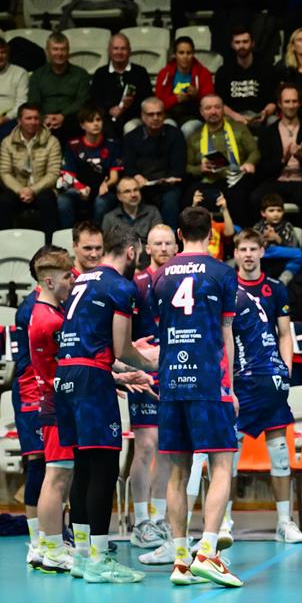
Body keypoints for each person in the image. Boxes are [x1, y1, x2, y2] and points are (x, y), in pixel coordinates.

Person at [54, 225, 159, 583]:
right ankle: (99, 560)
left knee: (83, 466)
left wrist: (120, 373)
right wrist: (152, 363)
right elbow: (122, 348)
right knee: (103, 468)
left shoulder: (82, 279)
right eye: (138, 253)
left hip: (67, 375)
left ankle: (82, 556)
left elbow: (95, 344)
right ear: (130, 252)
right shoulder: (120, 286)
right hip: (90, 381)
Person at [155, 207, 245, 587]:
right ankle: (207, 552)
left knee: (177, 472)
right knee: (221, 464)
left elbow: (159, 332)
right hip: (209, 381)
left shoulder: (160, 275)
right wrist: (231, 388)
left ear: (178, 234)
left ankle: (180, 561)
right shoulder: (222, 273)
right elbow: (226, 333)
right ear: (211, 234)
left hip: (171, 381)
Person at [232, 229, 302, 543]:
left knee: (279, 452)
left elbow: (285, 333)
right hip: (238, 381)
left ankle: (284, 523)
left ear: (262, 252)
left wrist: (285, 370)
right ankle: (223, 523)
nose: (248, 254)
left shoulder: (275, 288)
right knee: (228, 456)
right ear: (235, 253)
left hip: (270, 379)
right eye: (243, 249)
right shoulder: (227, 288)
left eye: (253, 249)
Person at [24, 247, 77, 574]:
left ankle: (46, 546)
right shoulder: (49, 320)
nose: (72, 281)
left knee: (58, 476)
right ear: (49, 281)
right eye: (68, 276)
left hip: (55, 401)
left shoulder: (46, 312)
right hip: (58, 403)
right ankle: (53, 550)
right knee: (56, 477)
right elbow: (70, 363)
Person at [127, 224, 176, 554]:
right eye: (157, 243)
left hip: (175, 371)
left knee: (168, 449)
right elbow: (122, 330)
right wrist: (132, 361)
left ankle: (159, 519)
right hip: (143, 371)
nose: (163, 248)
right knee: (145, 446)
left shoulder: (183, 281)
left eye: (168, 243)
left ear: (176, 246)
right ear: (147, 248)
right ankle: (141, 522)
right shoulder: (136, 283)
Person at [10, 249, 48, 567]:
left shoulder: (57, 303)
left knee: (61, 466)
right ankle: (36, 543)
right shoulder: (30, 308)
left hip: (53, 391)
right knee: (39, 463)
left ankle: (55, 536)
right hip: (31, 391)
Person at [184, 92, 260, 225]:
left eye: (217, 107)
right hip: (208, 181)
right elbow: (187, 166)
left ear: (223, 109)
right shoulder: (194, 137)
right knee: (189, 195)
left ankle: (241, 235)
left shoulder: (239, 128)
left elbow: (254, 151)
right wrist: (200, 169)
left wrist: (249, 163)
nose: (213, 111)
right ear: (201, 112)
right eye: (208, 108)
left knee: (240, 195)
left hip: (235, 179)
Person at [255, 84, 302, 221]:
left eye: (294, 101)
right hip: (276, 182)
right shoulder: (268, 133)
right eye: (287, 102)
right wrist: (282, 161)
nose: (291, 106)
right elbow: (263, 169)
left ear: (299, 103)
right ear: (279, 104)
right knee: (256, 197)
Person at [0, 103, 61, 235]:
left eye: (36, 118)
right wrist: (21, 190)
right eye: (28, 118)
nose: (33, 122)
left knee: (47, 199)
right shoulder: (7, 142)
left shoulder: (52, 142)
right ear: (19, 121)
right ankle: (3, 242)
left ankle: (50, 244)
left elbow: (53, 173)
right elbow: (5, 172)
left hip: (41, 189)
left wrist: (33, 190)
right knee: (4, 201)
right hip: (17, 189)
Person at [123, 97, 187, 229]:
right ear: (142, 116)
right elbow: (128, 166)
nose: (156, 118)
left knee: (171, 198)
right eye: (151, 114)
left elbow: (179, 166)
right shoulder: (131, 137)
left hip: (167, 184)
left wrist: (171, 178)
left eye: (159, 114)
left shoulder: (175, 135)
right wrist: (136, 176)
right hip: (141, 184)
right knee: (130, 193)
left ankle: (170, 236)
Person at [61, 106, 124, 226]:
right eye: (90, 121)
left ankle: (97, 234)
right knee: (63, 201)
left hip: (103, 189)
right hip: (79, 188)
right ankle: (67, 234)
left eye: (98, 120)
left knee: (102, 202)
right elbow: (67, 175)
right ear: (82, 125)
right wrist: (80, 188)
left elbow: (114, 177)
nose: (96, 124)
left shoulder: (112, 144)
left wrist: (106, 184)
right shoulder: (73, 145)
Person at [28, 33, 91, 141]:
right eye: (55, 49)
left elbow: (83, 100)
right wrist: (44, 118)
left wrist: (62, 116)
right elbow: (34, 101)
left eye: (63, 49)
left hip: (71, 119)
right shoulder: (37, 75)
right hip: (44, 119)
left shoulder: (81, 74)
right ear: (47, 51)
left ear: (68, 52)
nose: (59, 53)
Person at [90, 33, 152, 138]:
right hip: (106, 117)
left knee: (130, 127)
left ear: (130, 51)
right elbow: (94, 100)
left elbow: (148, 100)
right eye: (116, 48)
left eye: (123, 49)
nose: (119, 52)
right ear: (109, 50)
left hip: (134, 118)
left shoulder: (140, 72)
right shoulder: (100, 73)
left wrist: (130, 105)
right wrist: (109, 110)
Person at [216, 27, 280, 128]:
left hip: (260, 116)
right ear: (232, 45)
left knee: (275, 122)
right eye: (237, 42)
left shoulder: (267, 69)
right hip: (233, 117)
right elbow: (219, 102)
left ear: (252, 43)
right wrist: (235, 116)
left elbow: (273, 100)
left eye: (245, 41)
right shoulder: (223, 71)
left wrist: (265, 113)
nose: (241, 46)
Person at [156, 36, 217, 125]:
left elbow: (210, 103)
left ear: (193, 54)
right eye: (181, 53)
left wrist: (197, 95)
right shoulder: (164, 73)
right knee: (169, 126)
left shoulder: (203, 73)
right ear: (174, 54)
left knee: (188, 128)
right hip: (169, 114)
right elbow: (158, 104)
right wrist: (176, 99)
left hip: (193, 115)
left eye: (189, 53)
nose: (185, 56)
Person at [101, 176, 163, 243]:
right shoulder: (109, 218)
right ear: (119, 196)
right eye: (127, 191)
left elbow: (158, 241)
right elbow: (107, 246)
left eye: (136, 190)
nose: (133, 195)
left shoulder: (152, 212)